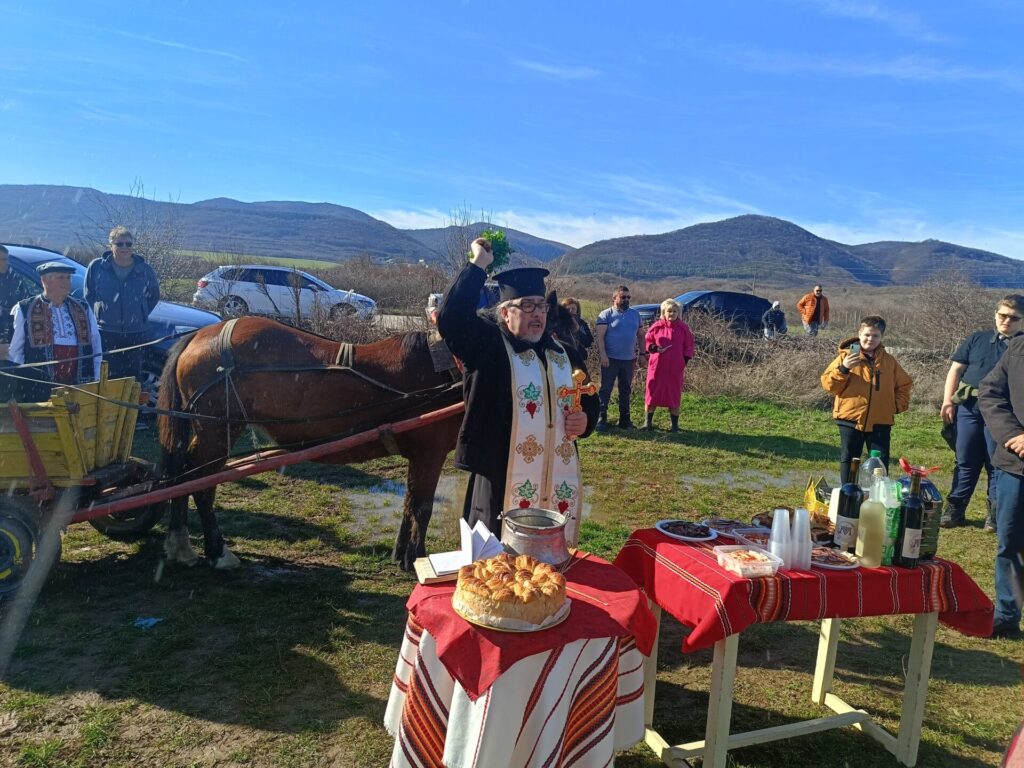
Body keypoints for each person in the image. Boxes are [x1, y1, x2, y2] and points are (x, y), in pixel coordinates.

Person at [437, 238, 598, 545]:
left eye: (541, 306)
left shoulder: (565, 354)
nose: (537, 313)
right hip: (500, 474)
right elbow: (451, 319)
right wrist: (478, 265)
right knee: (494, 561)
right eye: (527, 306)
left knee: (547, 560)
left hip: (555, 478)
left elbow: (588, 399)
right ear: (505, 313)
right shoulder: (487, 347)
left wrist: (586, 421)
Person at [940, 295, 1024, 530]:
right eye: (1002, 315)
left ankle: (994, 516)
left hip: (1002, 415)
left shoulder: (1021, 347)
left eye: (1014, 318)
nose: (1006, 321)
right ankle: (955, 510)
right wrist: (947, 401)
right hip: (969, 409)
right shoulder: (977, 338)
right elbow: (956, 370)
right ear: (995, 314)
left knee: (996, 463)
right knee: (965, 460)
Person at [821, 315, 912, 483]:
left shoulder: (889, 362)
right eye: (867, 335)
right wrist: (844, 368)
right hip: (850, 418)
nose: (870, 339)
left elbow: (905, 385)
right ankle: (848, 493)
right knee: (849, 458)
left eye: (875, 335)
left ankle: (876, 495)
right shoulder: (845, 357)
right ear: (859, 334)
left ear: (882, 337)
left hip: (881, 420)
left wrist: (895, 406)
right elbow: (829, 385)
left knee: (880, 462)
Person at [978, 333, 1024, 640]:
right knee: (1010, 543)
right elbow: (990, 392)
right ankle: (1007, 614)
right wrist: (1012, 435)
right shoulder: (1019, 346)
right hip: (1015, 464)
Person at [8, 262, 102, 392]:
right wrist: (18, 387)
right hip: (39, 388)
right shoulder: (25, 308)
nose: (67, 282)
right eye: (61, 278)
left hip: (80, 387)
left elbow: (96, 347)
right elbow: (16, 352)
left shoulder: (83, 308)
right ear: (45, 280)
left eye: (68, 278)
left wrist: (97, 380)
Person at [85, 227, 160, 381]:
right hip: (106, 333)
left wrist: (139, 314)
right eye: (119, 244)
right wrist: (102, 315)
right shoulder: (97, 267)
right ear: (111, 246)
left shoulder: (145, 270)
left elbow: (153, 296)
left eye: (128, 244)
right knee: (106, 378)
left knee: (133, 379)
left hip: (136, 333)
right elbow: (89, 294)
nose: (125, 247)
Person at [595, 285, 645, 431]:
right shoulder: (606, 314)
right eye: (623, 297)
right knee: (606, 388)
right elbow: (600, 337)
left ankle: (624, 420)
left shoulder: (635, 315)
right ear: (614, 298)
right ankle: (601, 418)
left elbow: (641, 335)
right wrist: (603, 354)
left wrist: (643, 354)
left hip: (629, 359)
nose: (626, 299)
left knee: (625, 389)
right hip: (610, 359)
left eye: (628, 297)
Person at [641, 299, 695, 432]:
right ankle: (647, 423)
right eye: (669, 311)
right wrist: (654, 347)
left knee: (674, 395)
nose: (672, 314)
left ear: (678, 313)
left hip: (675, 369)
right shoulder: (656, 327)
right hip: (657, 367)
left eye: (675, 311)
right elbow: (647, 343)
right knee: (652, 393)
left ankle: (674, 426)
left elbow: (689, 346)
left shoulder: (683, 328)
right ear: (664, 312)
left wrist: (683, 361)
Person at [0, 245, 27, 357]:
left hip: (12, 335)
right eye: (2, 260)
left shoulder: (14, 277)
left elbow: (24, 302)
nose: (6, 263)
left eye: (7, 259)